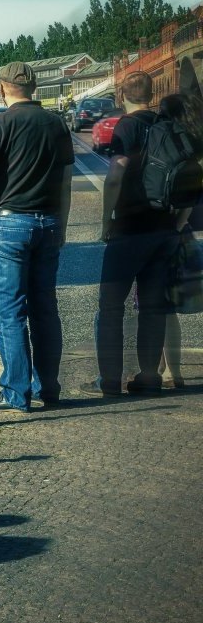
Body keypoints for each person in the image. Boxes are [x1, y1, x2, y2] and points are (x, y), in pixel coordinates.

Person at [0, 61, 75, 412]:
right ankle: (48, 388)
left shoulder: (0, 123)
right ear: (35, 87)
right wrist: (63, 226)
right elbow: (66, 182)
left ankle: (16, 392)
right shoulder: (56, 124)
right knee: (45, 310)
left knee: (9, 312)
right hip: (50, 223)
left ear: (1, 88)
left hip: (9, 225)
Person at [83, 70, 180, 397]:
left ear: (121, 95)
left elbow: (116, 174)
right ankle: (149, 376)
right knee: (153, 308)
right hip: (163, 228)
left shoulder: (127, 125)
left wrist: (107, 220)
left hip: (130, 227)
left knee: (111, 305)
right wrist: (177, 222)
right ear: (152, 92)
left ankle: (110, 379)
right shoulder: (166, 124)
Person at [155, 93, 202, 389]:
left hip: (169, 232)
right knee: (163, 304)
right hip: (182, 234)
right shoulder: (194, 143)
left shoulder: (177, 145)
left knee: (162, 306)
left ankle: (173, 372)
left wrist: (177, 223)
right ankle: (160, 367)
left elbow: (185, 192)